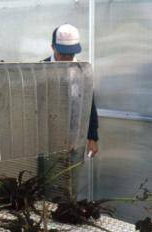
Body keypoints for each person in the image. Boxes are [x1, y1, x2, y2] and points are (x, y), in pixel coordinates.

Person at [43, 24, 99, 157]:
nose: (67, 59)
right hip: (45, 139)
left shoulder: (82, 72)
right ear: (53, 47)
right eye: (63, 54)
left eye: (71, 54)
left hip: (73, 140)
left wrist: (92, 138)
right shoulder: (40, 70)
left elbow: (89, 106)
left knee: (69, 174)